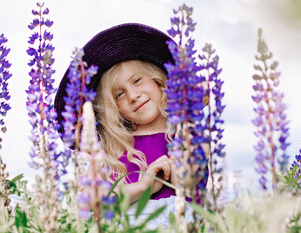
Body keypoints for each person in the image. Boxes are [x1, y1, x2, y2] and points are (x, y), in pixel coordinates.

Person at [54, 23, 200, 229]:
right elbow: (90, 203)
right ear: (113, 107)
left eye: (137, 80)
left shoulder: (183, 134)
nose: (133, 96)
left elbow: (185, 181)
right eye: (119, 94)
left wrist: (187, 114)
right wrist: (142, 187)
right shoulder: (113, 147)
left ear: (159, 81)